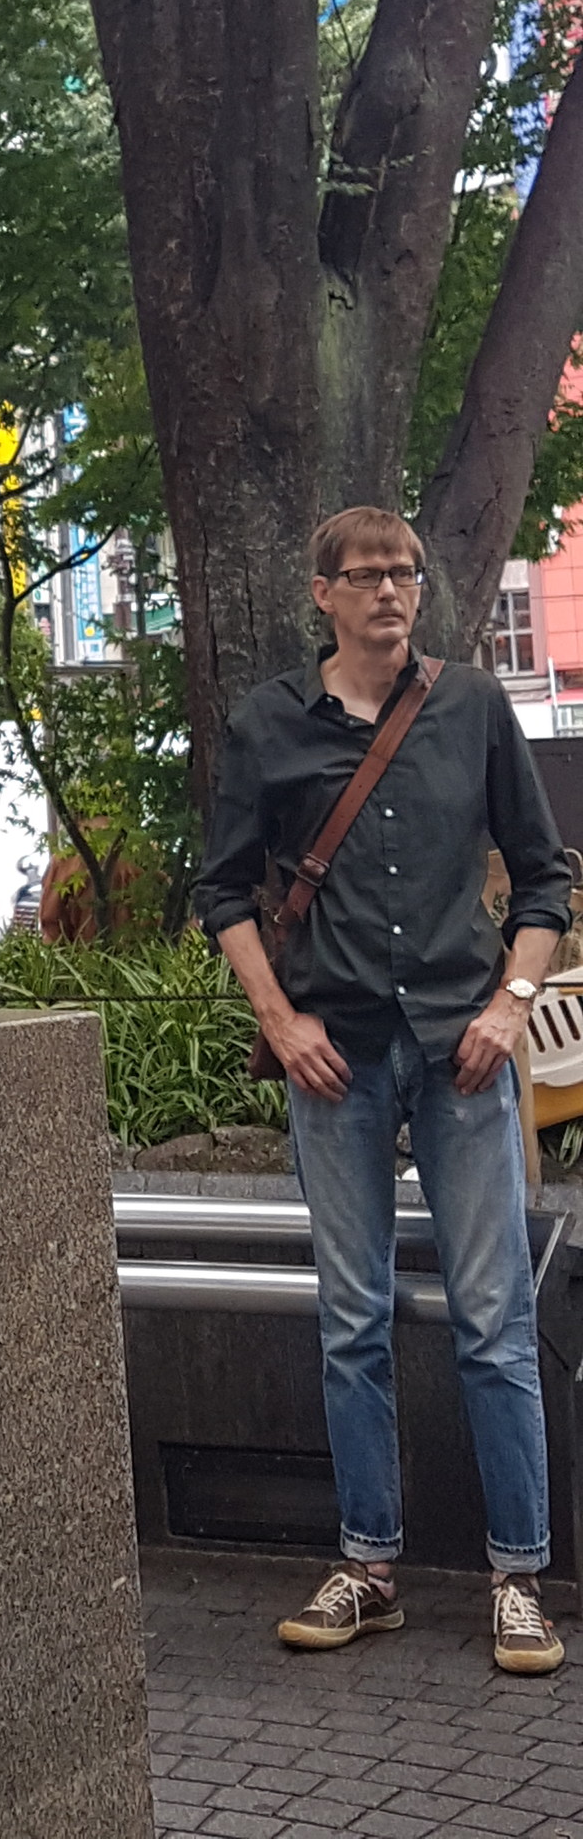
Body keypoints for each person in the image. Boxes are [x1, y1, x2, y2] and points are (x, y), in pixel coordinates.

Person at [197, 506, 570, 1675]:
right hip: (337, 1057)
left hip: (462, 1048)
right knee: (349, 1320)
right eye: (368, 577)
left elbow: (547, 879)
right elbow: (221, 895)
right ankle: (370, 1565)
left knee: (496, 1318)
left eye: (406, 574)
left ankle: (520, 1574)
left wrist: (509, 1010)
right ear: (323, 594)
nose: (393, 594)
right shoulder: (269, 726)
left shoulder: (471, 709)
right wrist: (282, 1018)